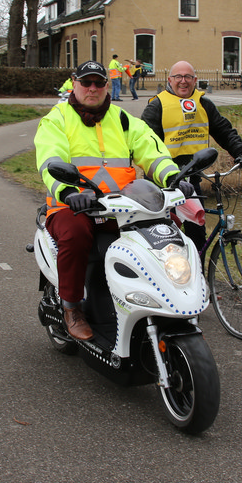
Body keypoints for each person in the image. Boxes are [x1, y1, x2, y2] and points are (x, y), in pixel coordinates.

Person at [35, 60, 189, 341]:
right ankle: (72, 307)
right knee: (75, 234)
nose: (92, 88)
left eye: (99, 83)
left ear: (107, 86)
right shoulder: (57, 119)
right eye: (86, 82)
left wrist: (172, 177)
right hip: (73, 206)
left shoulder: (123, 119)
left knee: (164, 231)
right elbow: (50, 157)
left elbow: (151, 150)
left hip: (121, 208)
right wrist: (68, 192)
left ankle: (163, 296)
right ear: (75, 83)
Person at [141, 60, 242, 252]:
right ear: (170, 80)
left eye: (188, 77)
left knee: (197, 236)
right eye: (178, 77)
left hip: (192, 179)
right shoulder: (157, 106)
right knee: (164, 240)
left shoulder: (203, 104)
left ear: (195, 80)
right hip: (162, 183)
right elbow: (146, 145)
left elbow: (224, 131)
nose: (183, 81)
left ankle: (199, 270)